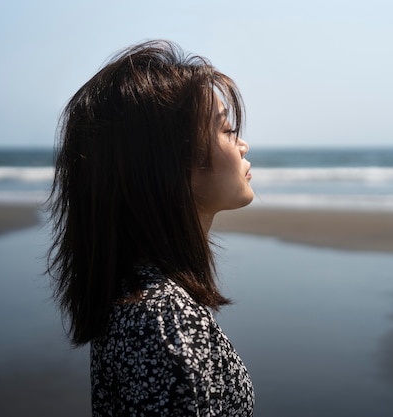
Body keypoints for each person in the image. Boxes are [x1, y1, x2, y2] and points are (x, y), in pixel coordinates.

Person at [47, 40, 254, 416]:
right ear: (173, 164)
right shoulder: (163, 321)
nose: (243, 144)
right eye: (226, 129)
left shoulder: (139, 295)